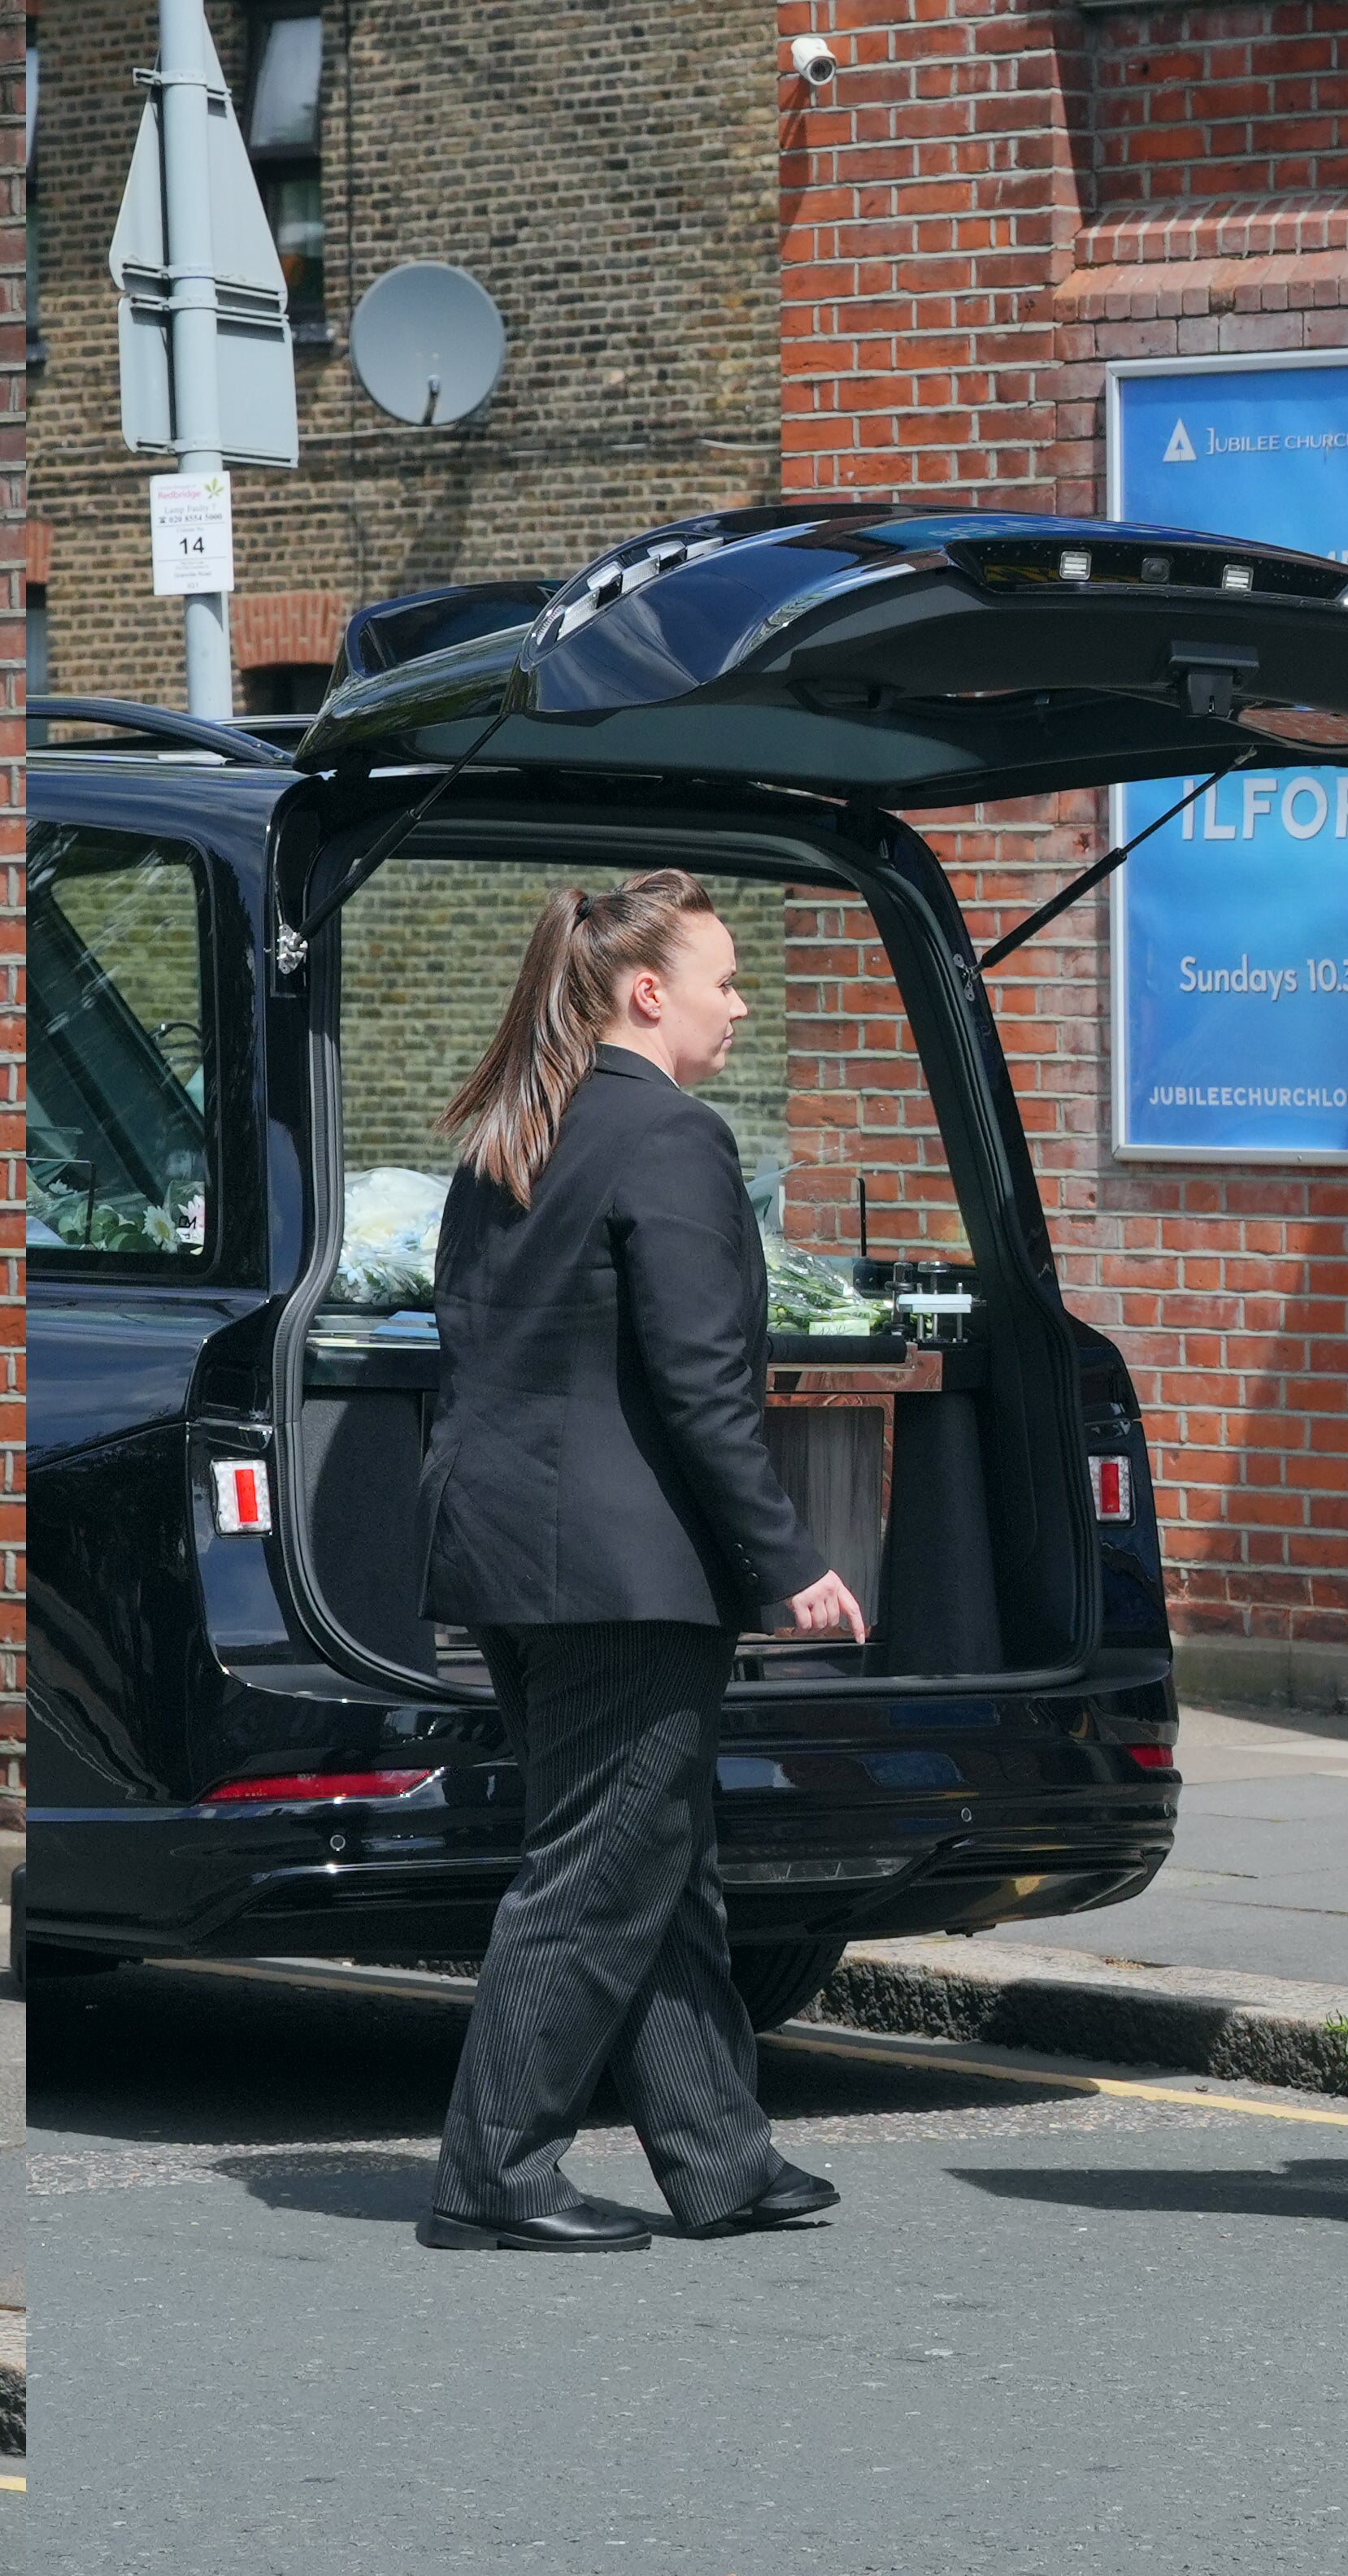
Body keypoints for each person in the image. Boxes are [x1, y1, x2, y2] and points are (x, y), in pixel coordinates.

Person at [415, 874, 867, 2254]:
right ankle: (494, 2172)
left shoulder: (517, 1131)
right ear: (646, 993)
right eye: (725, 982)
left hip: (510, 1548)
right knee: (598, 1863)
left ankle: (717, 2154)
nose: (742, 1007)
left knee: (656, 1851)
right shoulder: (670, 1138)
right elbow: (700, 1380)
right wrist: (788, 1556)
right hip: (621, 1567)